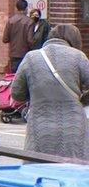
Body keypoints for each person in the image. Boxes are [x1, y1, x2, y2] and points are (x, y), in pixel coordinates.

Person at [12, 24, 89, 160]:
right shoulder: (78, 57)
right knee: (73, 170)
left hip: (40, 126)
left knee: (39, 169)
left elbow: (17, 94)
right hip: (74, 127)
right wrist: (82, 99)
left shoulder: (31, 58)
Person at [3, 0, 33, 72]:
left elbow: (5, 39)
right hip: (26, 54)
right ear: (26, 9)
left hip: (14, 54)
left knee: (15, 76)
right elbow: (30, 40)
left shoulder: (10, 21)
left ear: (16, 8)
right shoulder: (29, 21)